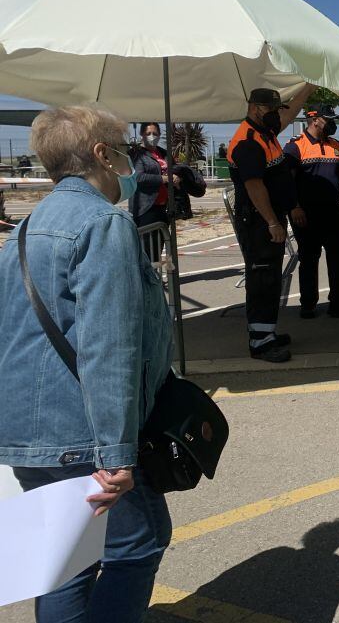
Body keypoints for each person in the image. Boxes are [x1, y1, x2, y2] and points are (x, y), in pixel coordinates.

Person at [0, 106, 174, 623]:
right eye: (121, 152)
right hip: (83, 434)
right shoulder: (103, 224)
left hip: (29, 431)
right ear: (101, 154)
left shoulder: (26, 230)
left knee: (68, 560)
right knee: (139, 542)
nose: (127, 165)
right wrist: (118, 453)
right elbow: (110, 345)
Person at [227, 84, 315, 363]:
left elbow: (289, 113)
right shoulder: (248, 142)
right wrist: (272, 223)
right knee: (262, 278)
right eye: (271, 110)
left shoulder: (265, 132)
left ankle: (267, 332)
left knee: (271, 276)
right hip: (257, 220)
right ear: (256, 109)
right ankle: (260, 342)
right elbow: (254, 187)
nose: (277, 116)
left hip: (267, 218)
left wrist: (309, 88)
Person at [284, 104, 339, 320]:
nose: (332, 123)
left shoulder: (337, 147)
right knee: (308, 258)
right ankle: (308, 304)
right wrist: (294, 207)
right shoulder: (294, 147)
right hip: (305, 213)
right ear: (314, 119)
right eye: (328, 119)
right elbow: (287, 181)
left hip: (333, 213)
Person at [128, 121, 180, 261]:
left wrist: (177, 178)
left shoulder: (163, 153)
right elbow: (138, 177)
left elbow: (174, 170)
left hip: (164, 206)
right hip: (145, 207)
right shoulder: (137, 154)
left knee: (158, 246)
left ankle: (156, 279)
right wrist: (163, 178)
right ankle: (147, 279)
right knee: (147, 249)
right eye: (148, 133)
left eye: (155, 133)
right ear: (141, 135)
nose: (152, 136)